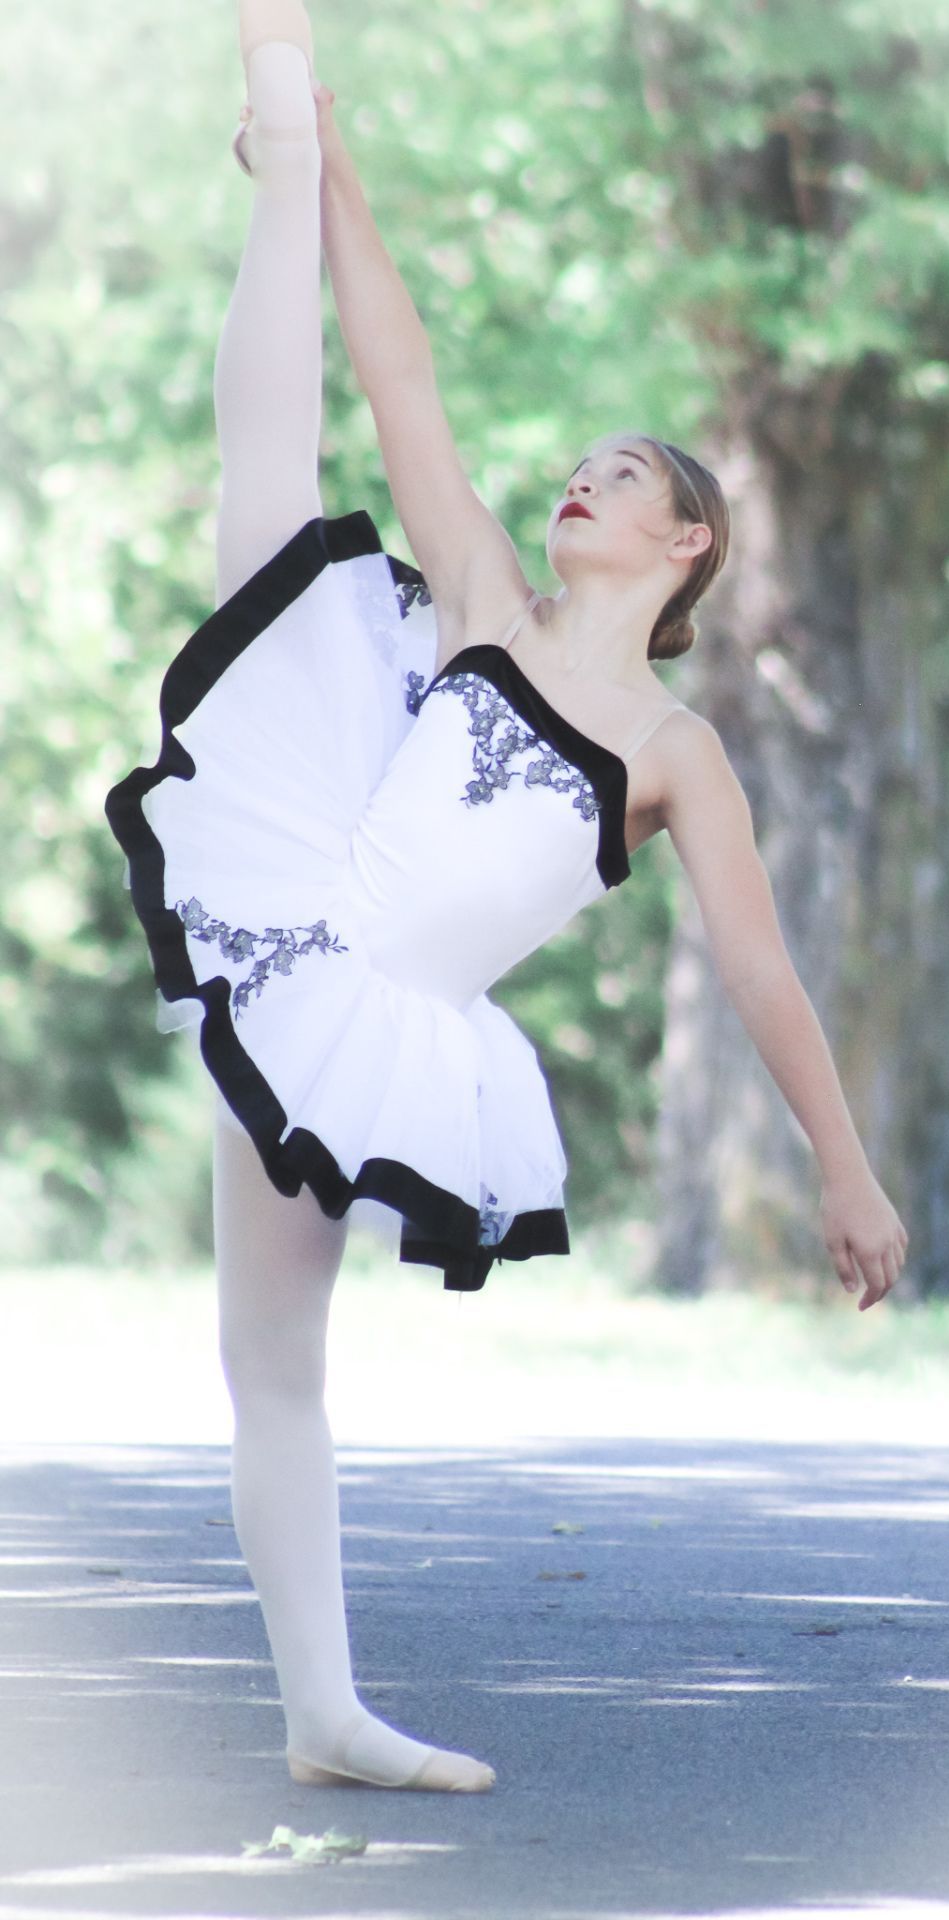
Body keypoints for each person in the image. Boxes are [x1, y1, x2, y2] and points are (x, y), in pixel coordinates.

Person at [104, 0, 908, 1794]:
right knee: (273, 519)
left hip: (377, 1034)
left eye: (621, 474)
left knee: (279, 1364)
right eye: (583, 465)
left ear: (686, 541)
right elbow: (404, 379)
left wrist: (845, 1170)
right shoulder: (482, 598)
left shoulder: (678, 751)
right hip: (292, 914)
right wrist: (341, 169)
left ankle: (323, 1720)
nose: (583, 477)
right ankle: (283, 137)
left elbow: (763, 977)